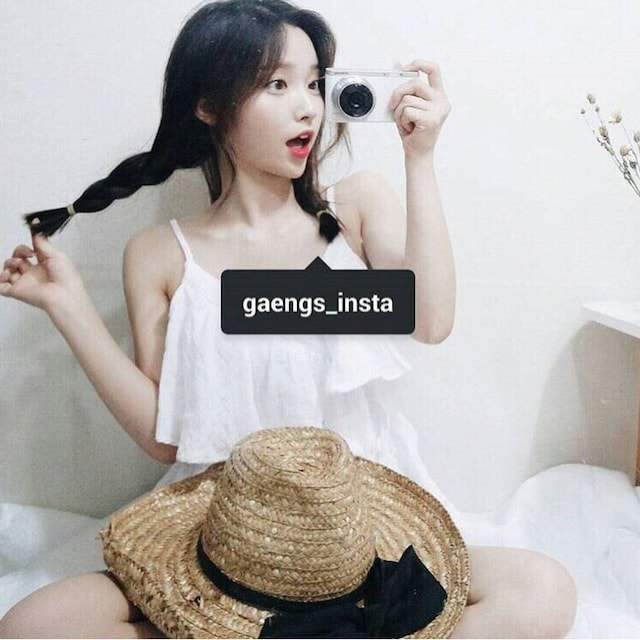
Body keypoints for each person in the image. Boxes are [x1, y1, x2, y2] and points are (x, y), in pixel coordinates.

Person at [0, 0, 576, 637]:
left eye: (313, 83)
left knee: (540, 588)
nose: (308, 107)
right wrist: (69, 306)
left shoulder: (354, 209)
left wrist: (421, 158)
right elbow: (167, 436)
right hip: (231, 535)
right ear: (209, 105)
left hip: (363, 529)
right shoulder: (161, 254)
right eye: (277, 85)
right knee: (37, 623)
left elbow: (432, 319)